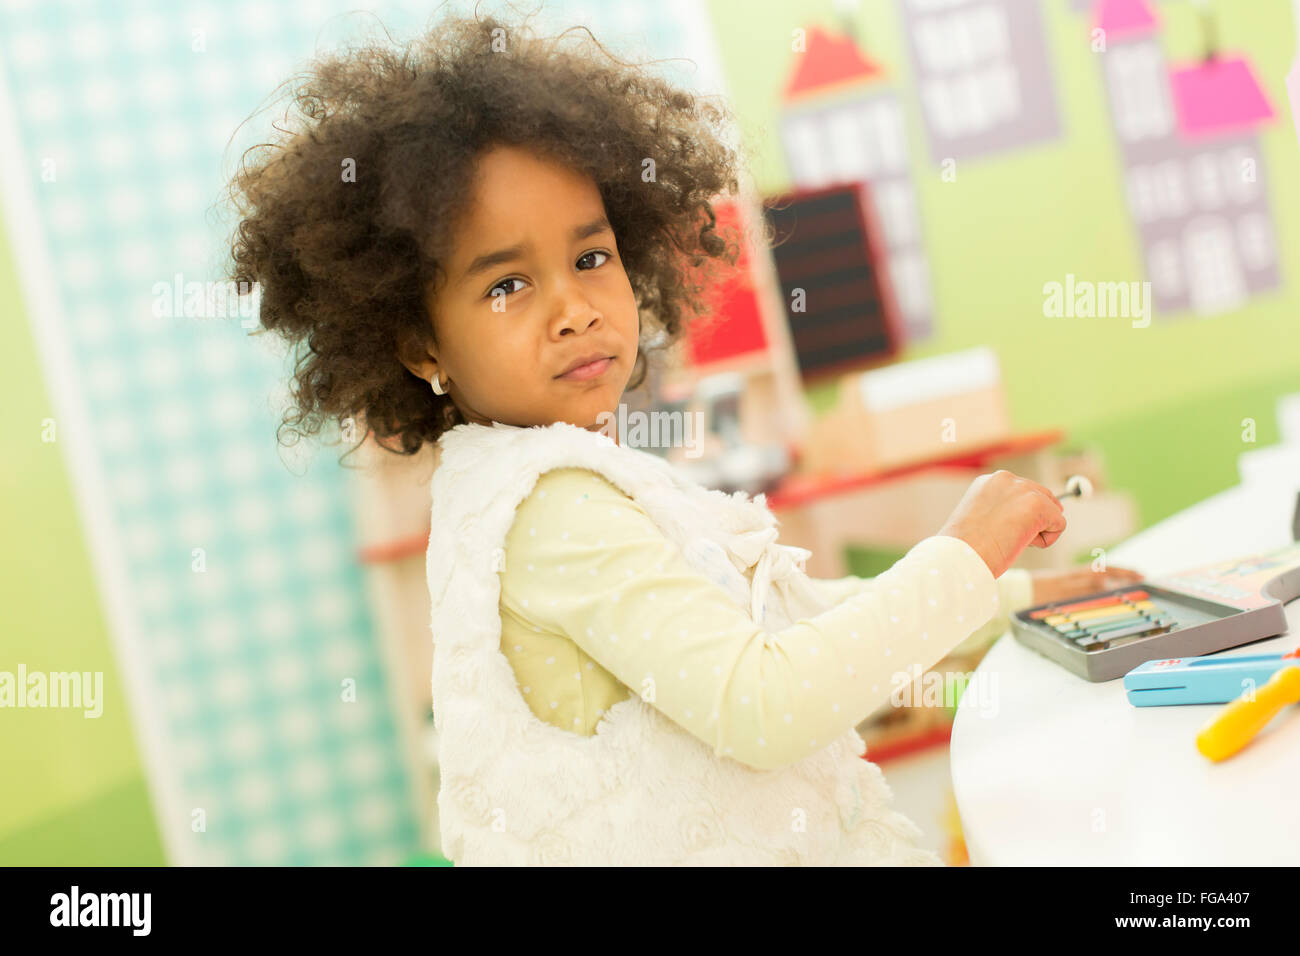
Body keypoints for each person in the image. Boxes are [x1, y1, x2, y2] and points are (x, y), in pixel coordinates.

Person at [226, 11, 1141, 865]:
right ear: (419, 340)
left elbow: (779, 624)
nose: (574, 309)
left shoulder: (561, 476)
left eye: (590, 258)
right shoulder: (545, 511)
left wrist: (1009, 590)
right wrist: (964, 551)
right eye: (507, 285)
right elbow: (768, 703)